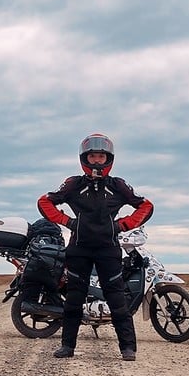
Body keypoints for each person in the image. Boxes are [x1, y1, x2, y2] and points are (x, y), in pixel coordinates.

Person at [37, 133, 153, 360]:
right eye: (93, 157)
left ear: (108, 158)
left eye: (101, 157)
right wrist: (68, 222)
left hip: (108, 250)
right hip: (79, 249)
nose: (97, 161)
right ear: (85, 159)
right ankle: (67, 347)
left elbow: (146, 206)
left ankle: (128, 348)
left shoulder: (118, 186)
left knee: (117, 299)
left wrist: (122, 225)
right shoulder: (73, 185)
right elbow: (45, 201)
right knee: (73, 300)